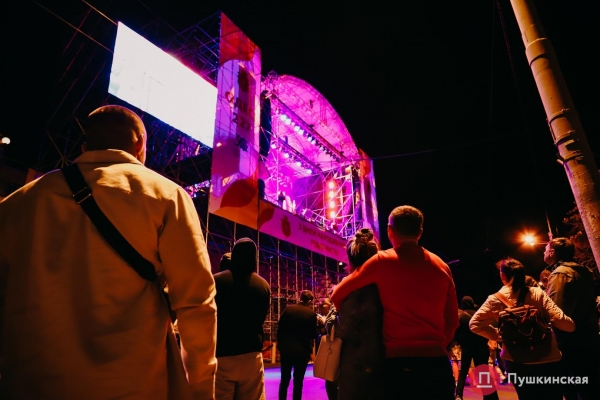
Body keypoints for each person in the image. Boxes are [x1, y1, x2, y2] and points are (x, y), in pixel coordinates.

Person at [0, 105, 217, 399]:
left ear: (84, 146)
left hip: (32, 383)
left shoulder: (18, 203)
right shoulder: (167, 197)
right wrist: (200, 389)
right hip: (133, 385)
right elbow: (197, 304)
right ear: (140, 144)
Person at [331, 205, 459, 399]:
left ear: (389, 231)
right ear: (420, 232)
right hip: (437, 365)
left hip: (400, 365)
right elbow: (452, 320)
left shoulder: (382, 261)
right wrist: (437, 346)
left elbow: (337, 294)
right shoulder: (442, 267)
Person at [470, 258, 575, 400]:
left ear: (503, 275)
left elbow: (475, 324)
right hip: (547, 358)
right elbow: (561, 321)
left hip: (515, 360)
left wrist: (499, 336)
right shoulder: (537, 293)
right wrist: (573, 325)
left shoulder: (494, 299)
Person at [213, 238, 270, 400]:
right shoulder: (263, 285)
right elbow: (262, 317)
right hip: (251, 354)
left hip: (222, 352)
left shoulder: (216, 281)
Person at [543, 237, 600, 399]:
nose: (544, 253)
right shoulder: (582, 271)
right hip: (588, 337)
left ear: (552, 252)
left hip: (570, 342)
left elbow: (556, 312)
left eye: (545, 250)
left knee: (573, 387)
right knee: (590, 386)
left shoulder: (560, 274)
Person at [336, 228, 385, 400]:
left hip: (357, 366)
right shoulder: (385, 286)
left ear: (350, 260)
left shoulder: (352, 290)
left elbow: (344, 329)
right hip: (384, 362)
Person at [454, 296, 499, 400]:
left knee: (463, 370)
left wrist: (462, 343)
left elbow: (457, 334)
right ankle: (489, 396)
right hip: (481, 347)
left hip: (467, 347)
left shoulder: (461, 317)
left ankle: (459, 394)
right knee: (483, 371)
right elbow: (485, 331)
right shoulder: (478, 315)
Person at [277, 290, 317, 400]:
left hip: (286, 350)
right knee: (298, 382)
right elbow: (312, 335)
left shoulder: (288, 309)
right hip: (302, 351)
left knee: (284, 380)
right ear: (310, 301)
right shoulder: (311, 314)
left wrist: (280, 346)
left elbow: (280, 329)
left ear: (300, 297)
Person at [316, 297, 339, 400]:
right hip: (333, 349)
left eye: (322, 305)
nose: (321, 308)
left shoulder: (335, 310)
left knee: (332, 380)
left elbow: (331, 326)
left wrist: (325, 321)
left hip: (336, 349)